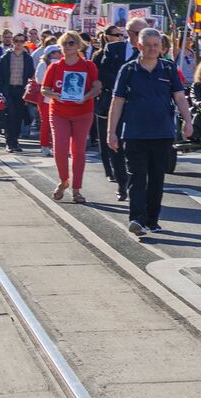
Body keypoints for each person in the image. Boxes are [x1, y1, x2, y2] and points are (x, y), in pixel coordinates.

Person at [107, 28, 192, 237]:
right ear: (139, 46)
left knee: (156, 179)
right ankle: (137, 219)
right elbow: (117, 101)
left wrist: (188, 122)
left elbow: (180, 98)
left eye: (156, 45)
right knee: (137, 177)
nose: (153, 49)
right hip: (135, 133)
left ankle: (152, 220)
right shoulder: (128, 70)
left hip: (162, 133)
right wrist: (111, 132)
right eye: (148, 45)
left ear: (161, 47)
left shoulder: (169, 69)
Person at [42, 31, 100, 204]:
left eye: (71, 43)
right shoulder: (54, 67)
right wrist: (54, 95)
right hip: (59, 111)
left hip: (82, 112)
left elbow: (97, 87)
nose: (68, 46)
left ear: (79, 45)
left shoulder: (88, 66)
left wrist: (87, 96)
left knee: (78, 151)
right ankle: (63, 181)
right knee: (59, 148)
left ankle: (77, 189)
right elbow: (44, 88)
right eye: (65, 43)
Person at [97, 20, 146, 198]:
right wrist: (121, 86)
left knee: (136, 146)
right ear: (128, 33)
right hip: (114, 103)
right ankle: (121, 183)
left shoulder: (148, 52)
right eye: (137, 33)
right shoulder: (113, 49)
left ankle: (136, 183)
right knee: (114, 144)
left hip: (137, 106)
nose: (140, 37)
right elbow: (102, 72)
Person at [0, 33, 35, 154]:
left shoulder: (27, 58)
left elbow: (31, 75)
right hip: (8, 90)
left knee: (19, 117)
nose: (19, 43)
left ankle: (15, 141)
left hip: (21, 91)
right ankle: (9, 142)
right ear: (13, 42)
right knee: (11, 115)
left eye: (21, 41)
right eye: (17, 41)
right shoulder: (5, 57)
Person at [34, 45, 62, 158]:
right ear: (51, 54)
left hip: (57, 97)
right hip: (46, 98)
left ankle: (55, 146)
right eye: (57, 52)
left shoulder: (61, 63)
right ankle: (44, 145)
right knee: (46, 122)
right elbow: (39, 80)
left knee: (57, 124)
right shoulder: (43, 64)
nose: (60, 54)